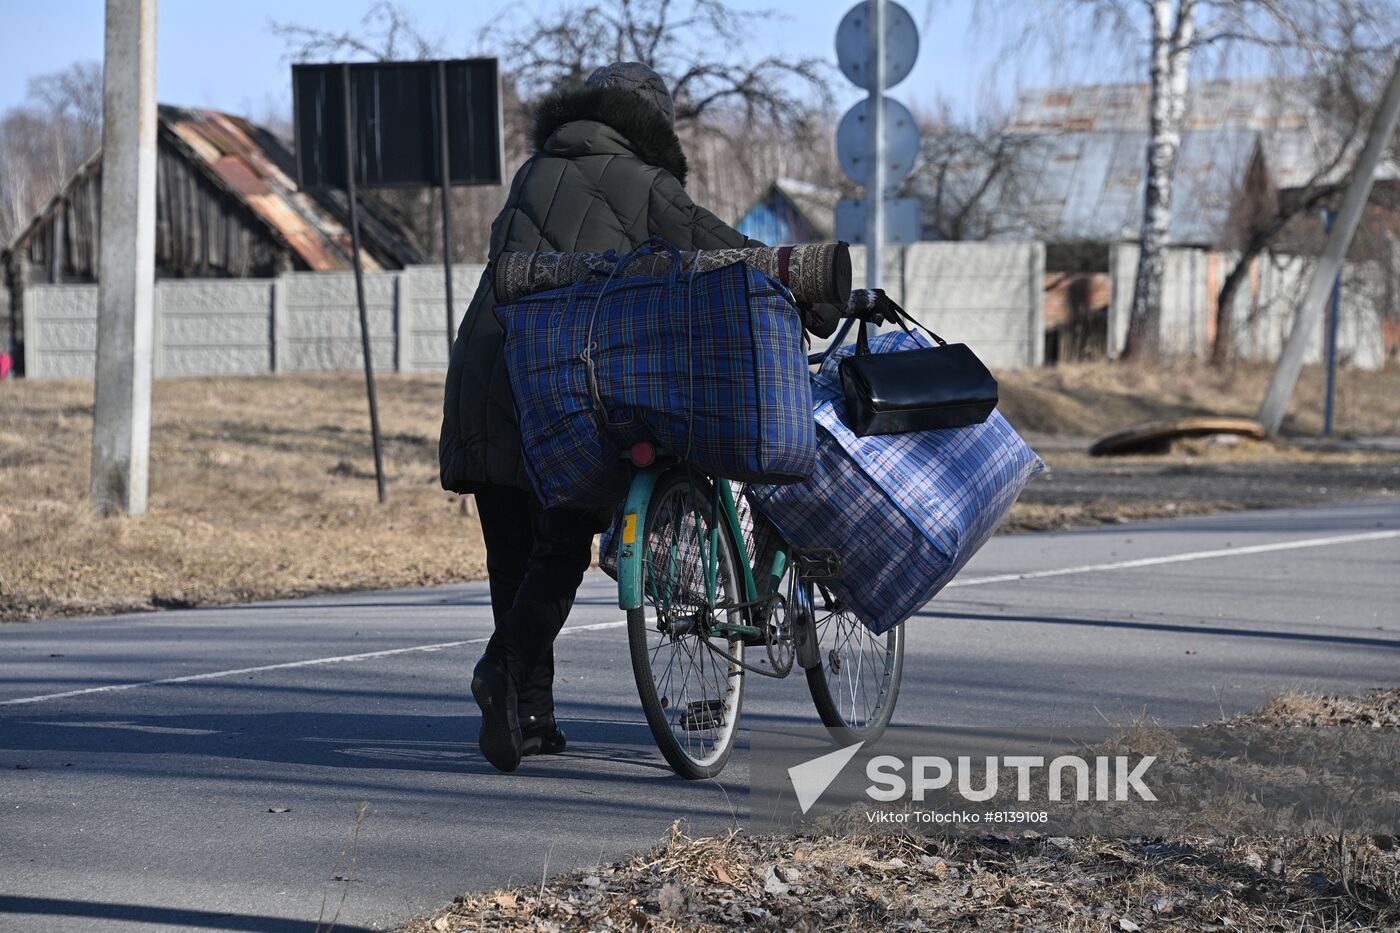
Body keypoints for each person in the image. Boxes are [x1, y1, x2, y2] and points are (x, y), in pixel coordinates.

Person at [440, 62, 760, 773]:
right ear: (651, 125)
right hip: (553, 379)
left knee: (513, 553)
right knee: (559, 543)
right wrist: (808, 286)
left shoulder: (533, 171)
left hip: (485, 370)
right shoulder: (646, 183)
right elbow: (726, 249)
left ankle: (531, 715)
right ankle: (502, 669)